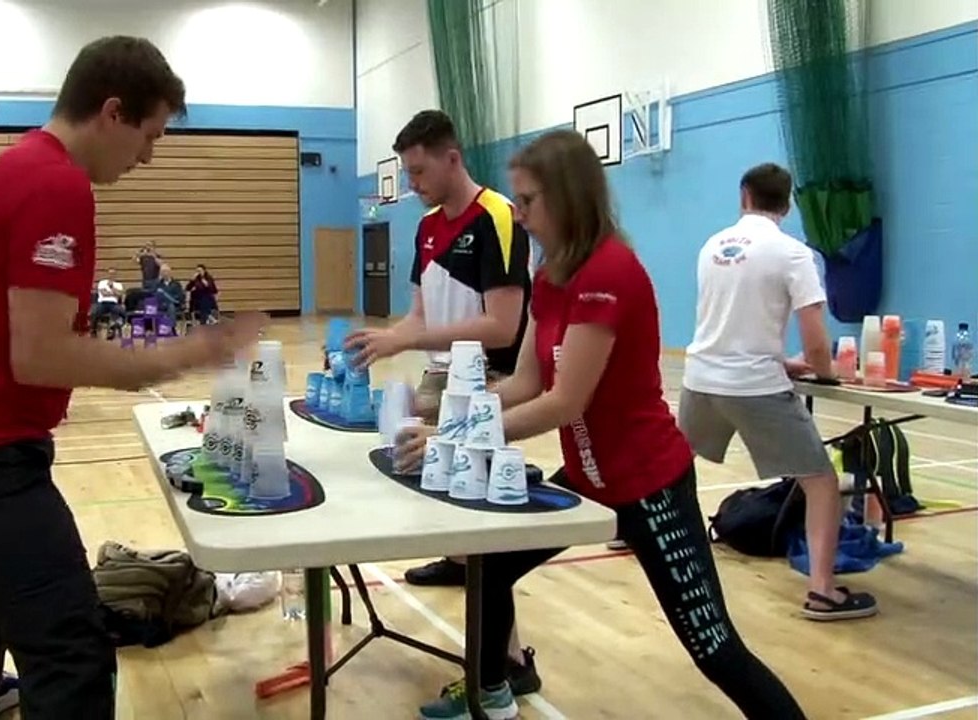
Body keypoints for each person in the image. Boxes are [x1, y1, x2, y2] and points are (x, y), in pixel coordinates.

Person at [0, 36, 266, 720]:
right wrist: (190, 351)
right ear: (112, 112)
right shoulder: (54, 183)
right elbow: (43, 357)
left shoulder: (18, 167)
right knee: (72, 650)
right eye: (148, 135)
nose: (148, 155)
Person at [394, 130, 807, 720]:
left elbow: (563, 403)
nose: (520, 214)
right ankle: (490, 690)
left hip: (649, 486)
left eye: (529, 201)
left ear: (567, 198)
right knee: (489, 564)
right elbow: (524, 384)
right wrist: (447, 415)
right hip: (591, 477)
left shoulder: (608, 271)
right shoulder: (551, 273)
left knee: (715, 650)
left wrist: (453, 437)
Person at [344, 109, 540, 694]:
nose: (412, 185)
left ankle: (512, 662)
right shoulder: (428, 226)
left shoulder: (501, 218)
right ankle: (457, 562)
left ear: (452, 158)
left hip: (489, 382)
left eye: (419, 171)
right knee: (419, 480)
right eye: (407, 173)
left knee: (480, 520)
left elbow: (503, 327)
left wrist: (406, 337)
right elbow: (420, 316)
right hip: (439, 372)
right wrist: (391, 338)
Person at [679, 162, 878, 622]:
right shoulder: (793, 254)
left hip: (701, 377)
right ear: (787, 205)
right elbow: (814, 338)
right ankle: (824, 592)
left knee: (672, 465)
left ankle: (634, 533)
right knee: (821, 483)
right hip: (751, 386)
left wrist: (778, 359)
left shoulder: (712, 247)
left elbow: (726, 319)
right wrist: (826, 374)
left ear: (743, 195)